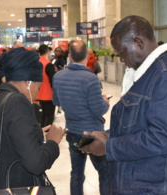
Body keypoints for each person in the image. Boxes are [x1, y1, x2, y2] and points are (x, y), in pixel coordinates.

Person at [81, 15, 167, 194]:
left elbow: (162, 138)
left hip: (153, 187)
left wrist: (109, 147)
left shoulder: (165, 75)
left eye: (122, 52)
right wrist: (108, 136)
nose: (121, 59)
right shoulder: (146, 73)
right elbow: (139, 125)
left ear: (139, 42)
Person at [0, 47, 66, 195]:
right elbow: (36, 163)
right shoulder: (17, 102)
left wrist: (33, 134)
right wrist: (52, 143)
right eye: (38, 86)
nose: (37, 93)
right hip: (20, 188)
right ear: (29, 82)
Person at [52, 40, 110, 195]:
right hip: (93, 134)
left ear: (69, 56)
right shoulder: (91, 78)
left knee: (76, 173)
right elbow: (99, 109)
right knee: (104, 172)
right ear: (87, 55)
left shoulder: (58, 77)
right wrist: (106, 102)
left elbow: (56, 102)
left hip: (73, 131)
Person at [37, 44, 56, 128]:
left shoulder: (36, 63)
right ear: (48, 52)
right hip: (48, 95)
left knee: (43, 115)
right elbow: (53, 81)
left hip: (38, 93)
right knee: (49, 116)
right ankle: (47, 135)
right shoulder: (48, 65)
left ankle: (42, 133)